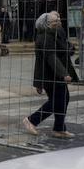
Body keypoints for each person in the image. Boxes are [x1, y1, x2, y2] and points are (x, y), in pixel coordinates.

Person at [21, 11, 78, 139]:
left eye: (58, 19)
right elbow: (52, 58)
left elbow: (64, 48)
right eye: (54, 21)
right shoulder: (45, 37)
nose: (58, 22)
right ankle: (31, 120)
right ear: (46, 24)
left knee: (63, 99)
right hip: (50, 75)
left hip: (56, 74)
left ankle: (59, 128)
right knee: (57, 101)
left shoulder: (56, 34)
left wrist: (70, 48)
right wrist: (64, 74)